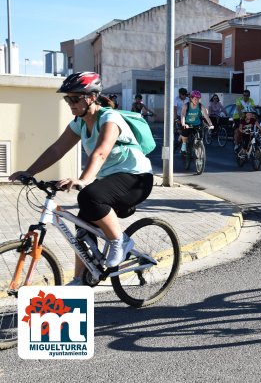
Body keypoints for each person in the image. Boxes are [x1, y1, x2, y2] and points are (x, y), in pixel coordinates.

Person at [8, 72, 154, 285]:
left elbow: (101, 152)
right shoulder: (79, 123)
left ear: (92, 97)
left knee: (88, 195)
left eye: (75, 98)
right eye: (67, 99)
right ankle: (81, 278)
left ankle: (119, 241)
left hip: (136, 178)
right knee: (82, 226)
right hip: (111, 181)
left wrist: (83, 180)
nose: (70, 103)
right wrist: (30, 172)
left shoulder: (109, 118)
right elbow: (56, 149)